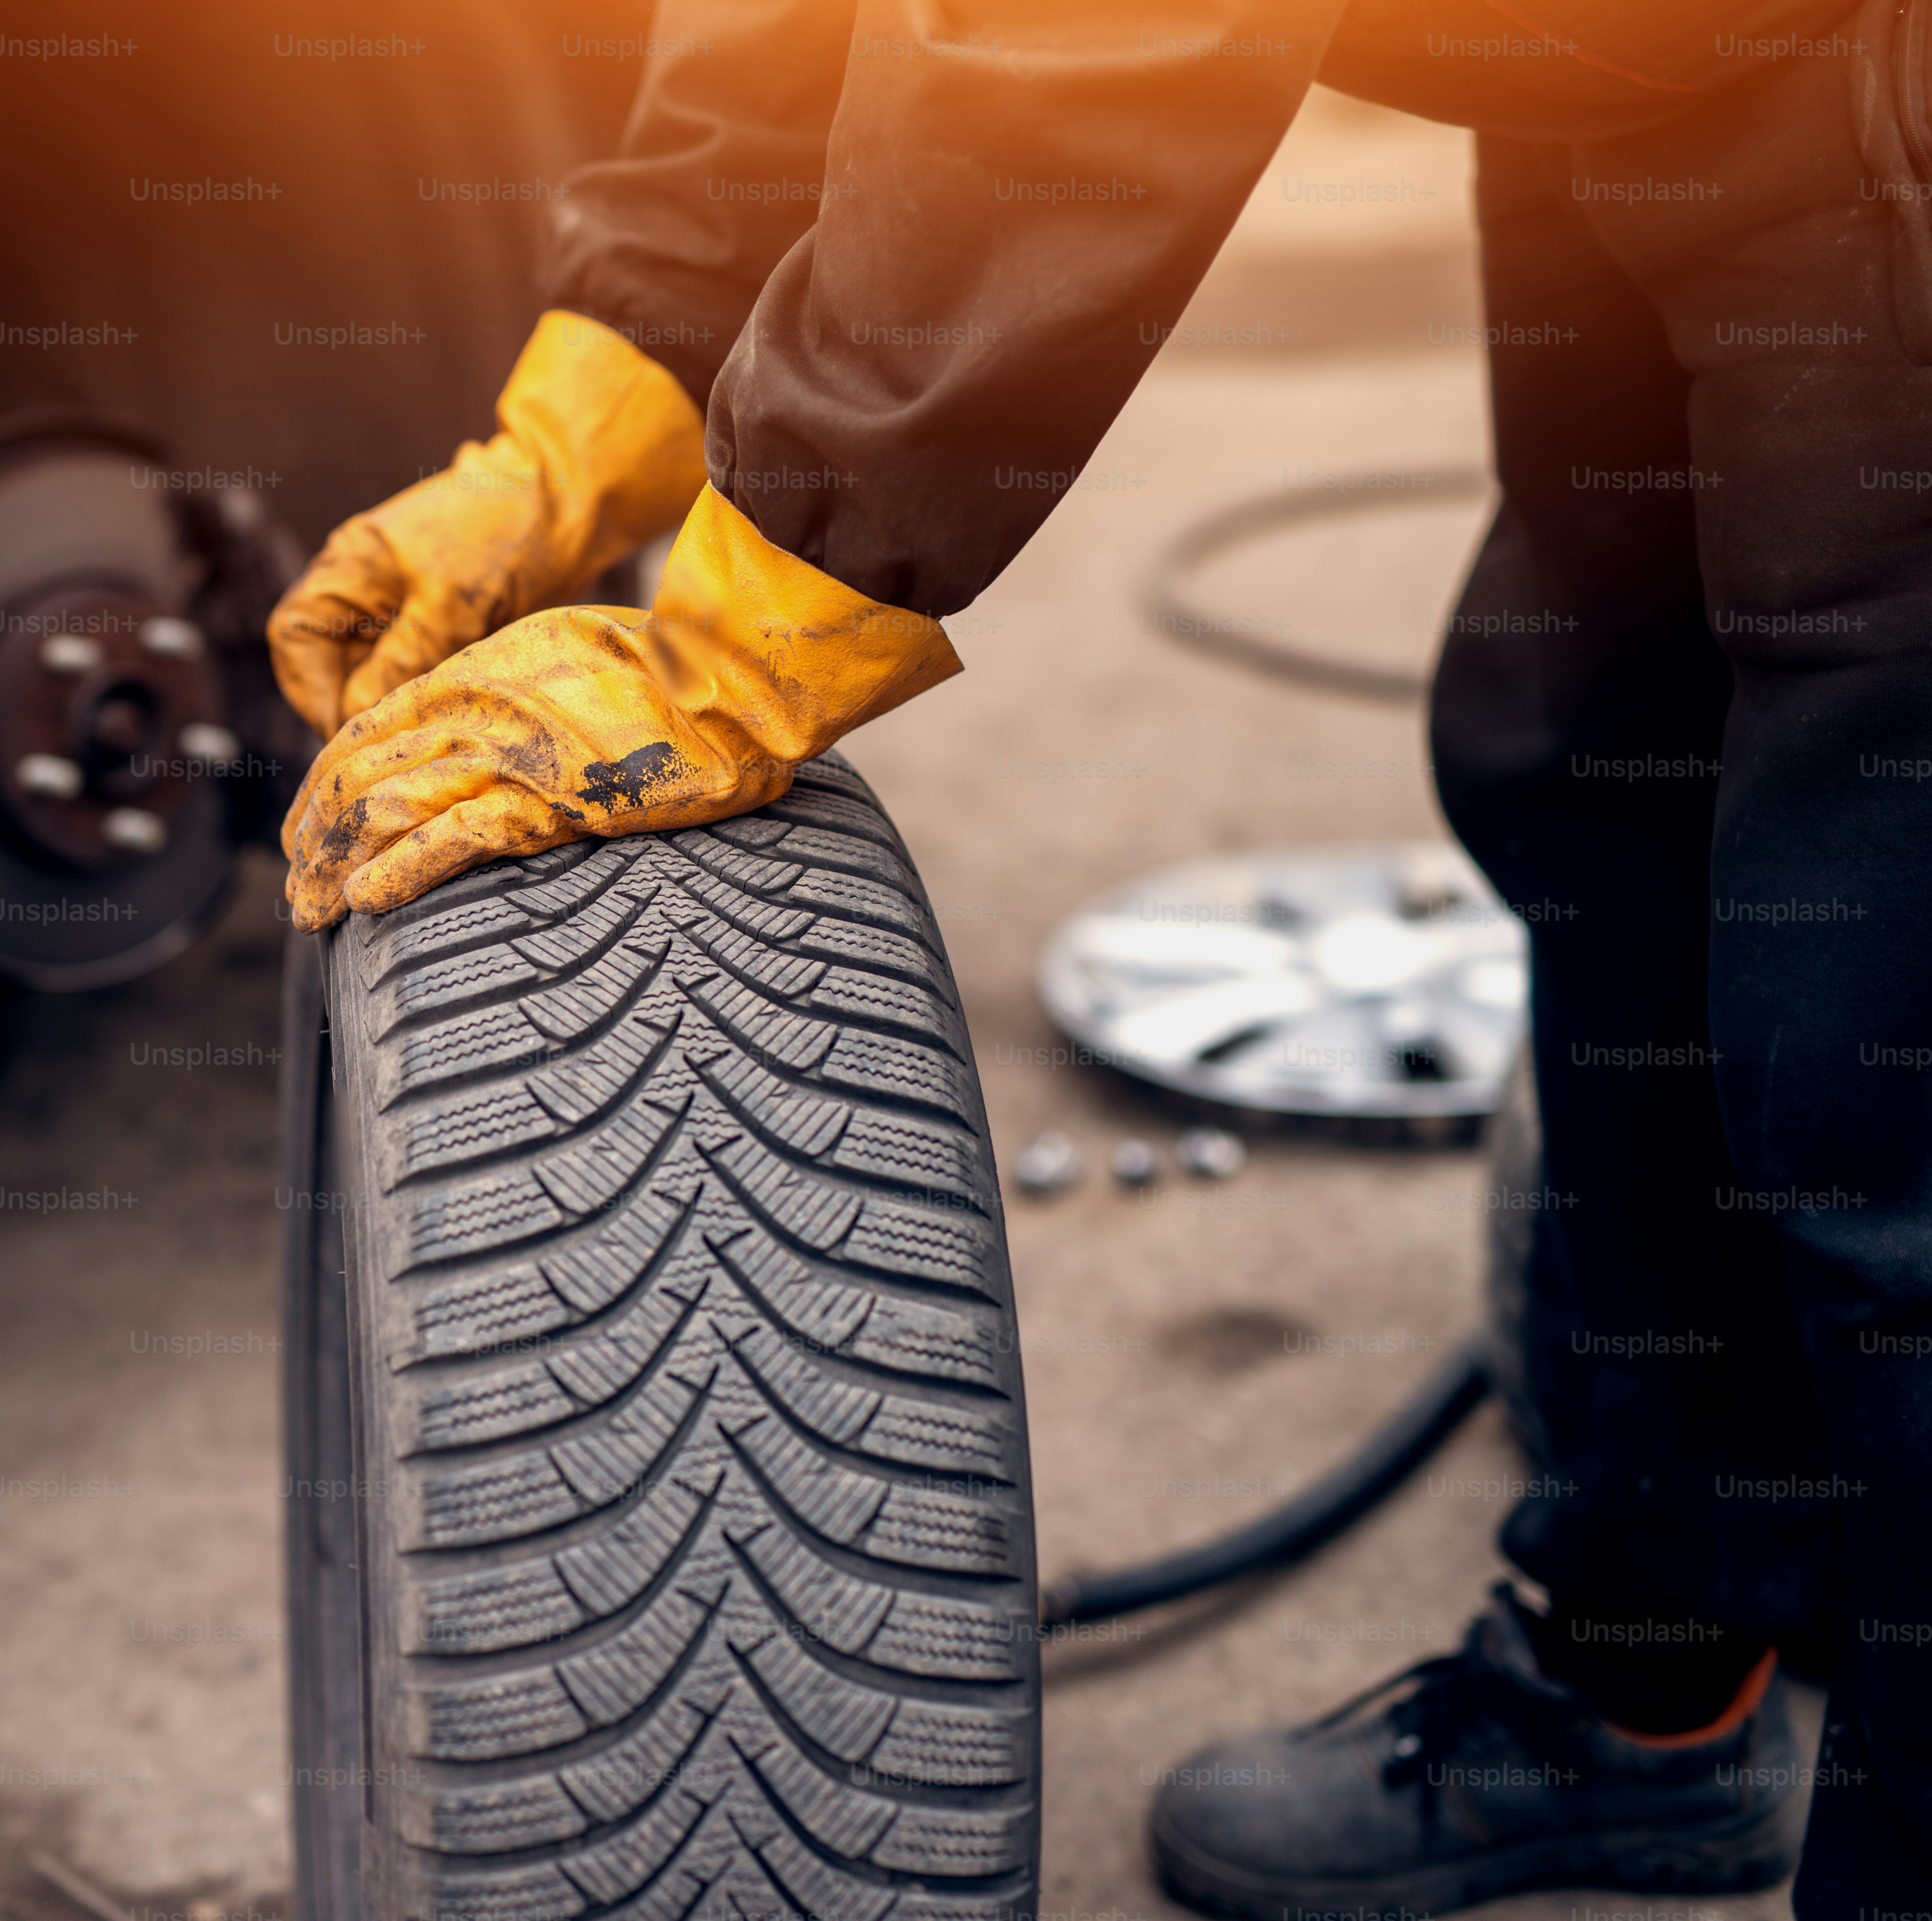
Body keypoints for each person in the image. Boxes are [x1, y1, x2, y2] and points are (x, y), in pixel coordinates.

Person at [266, 1, 1932, 1914]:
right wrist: (613, 379)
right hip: (1659, 72)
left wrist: (778, 584)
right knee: (1616, 778)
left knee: (1887, 1064)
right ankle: (1660, 1682)